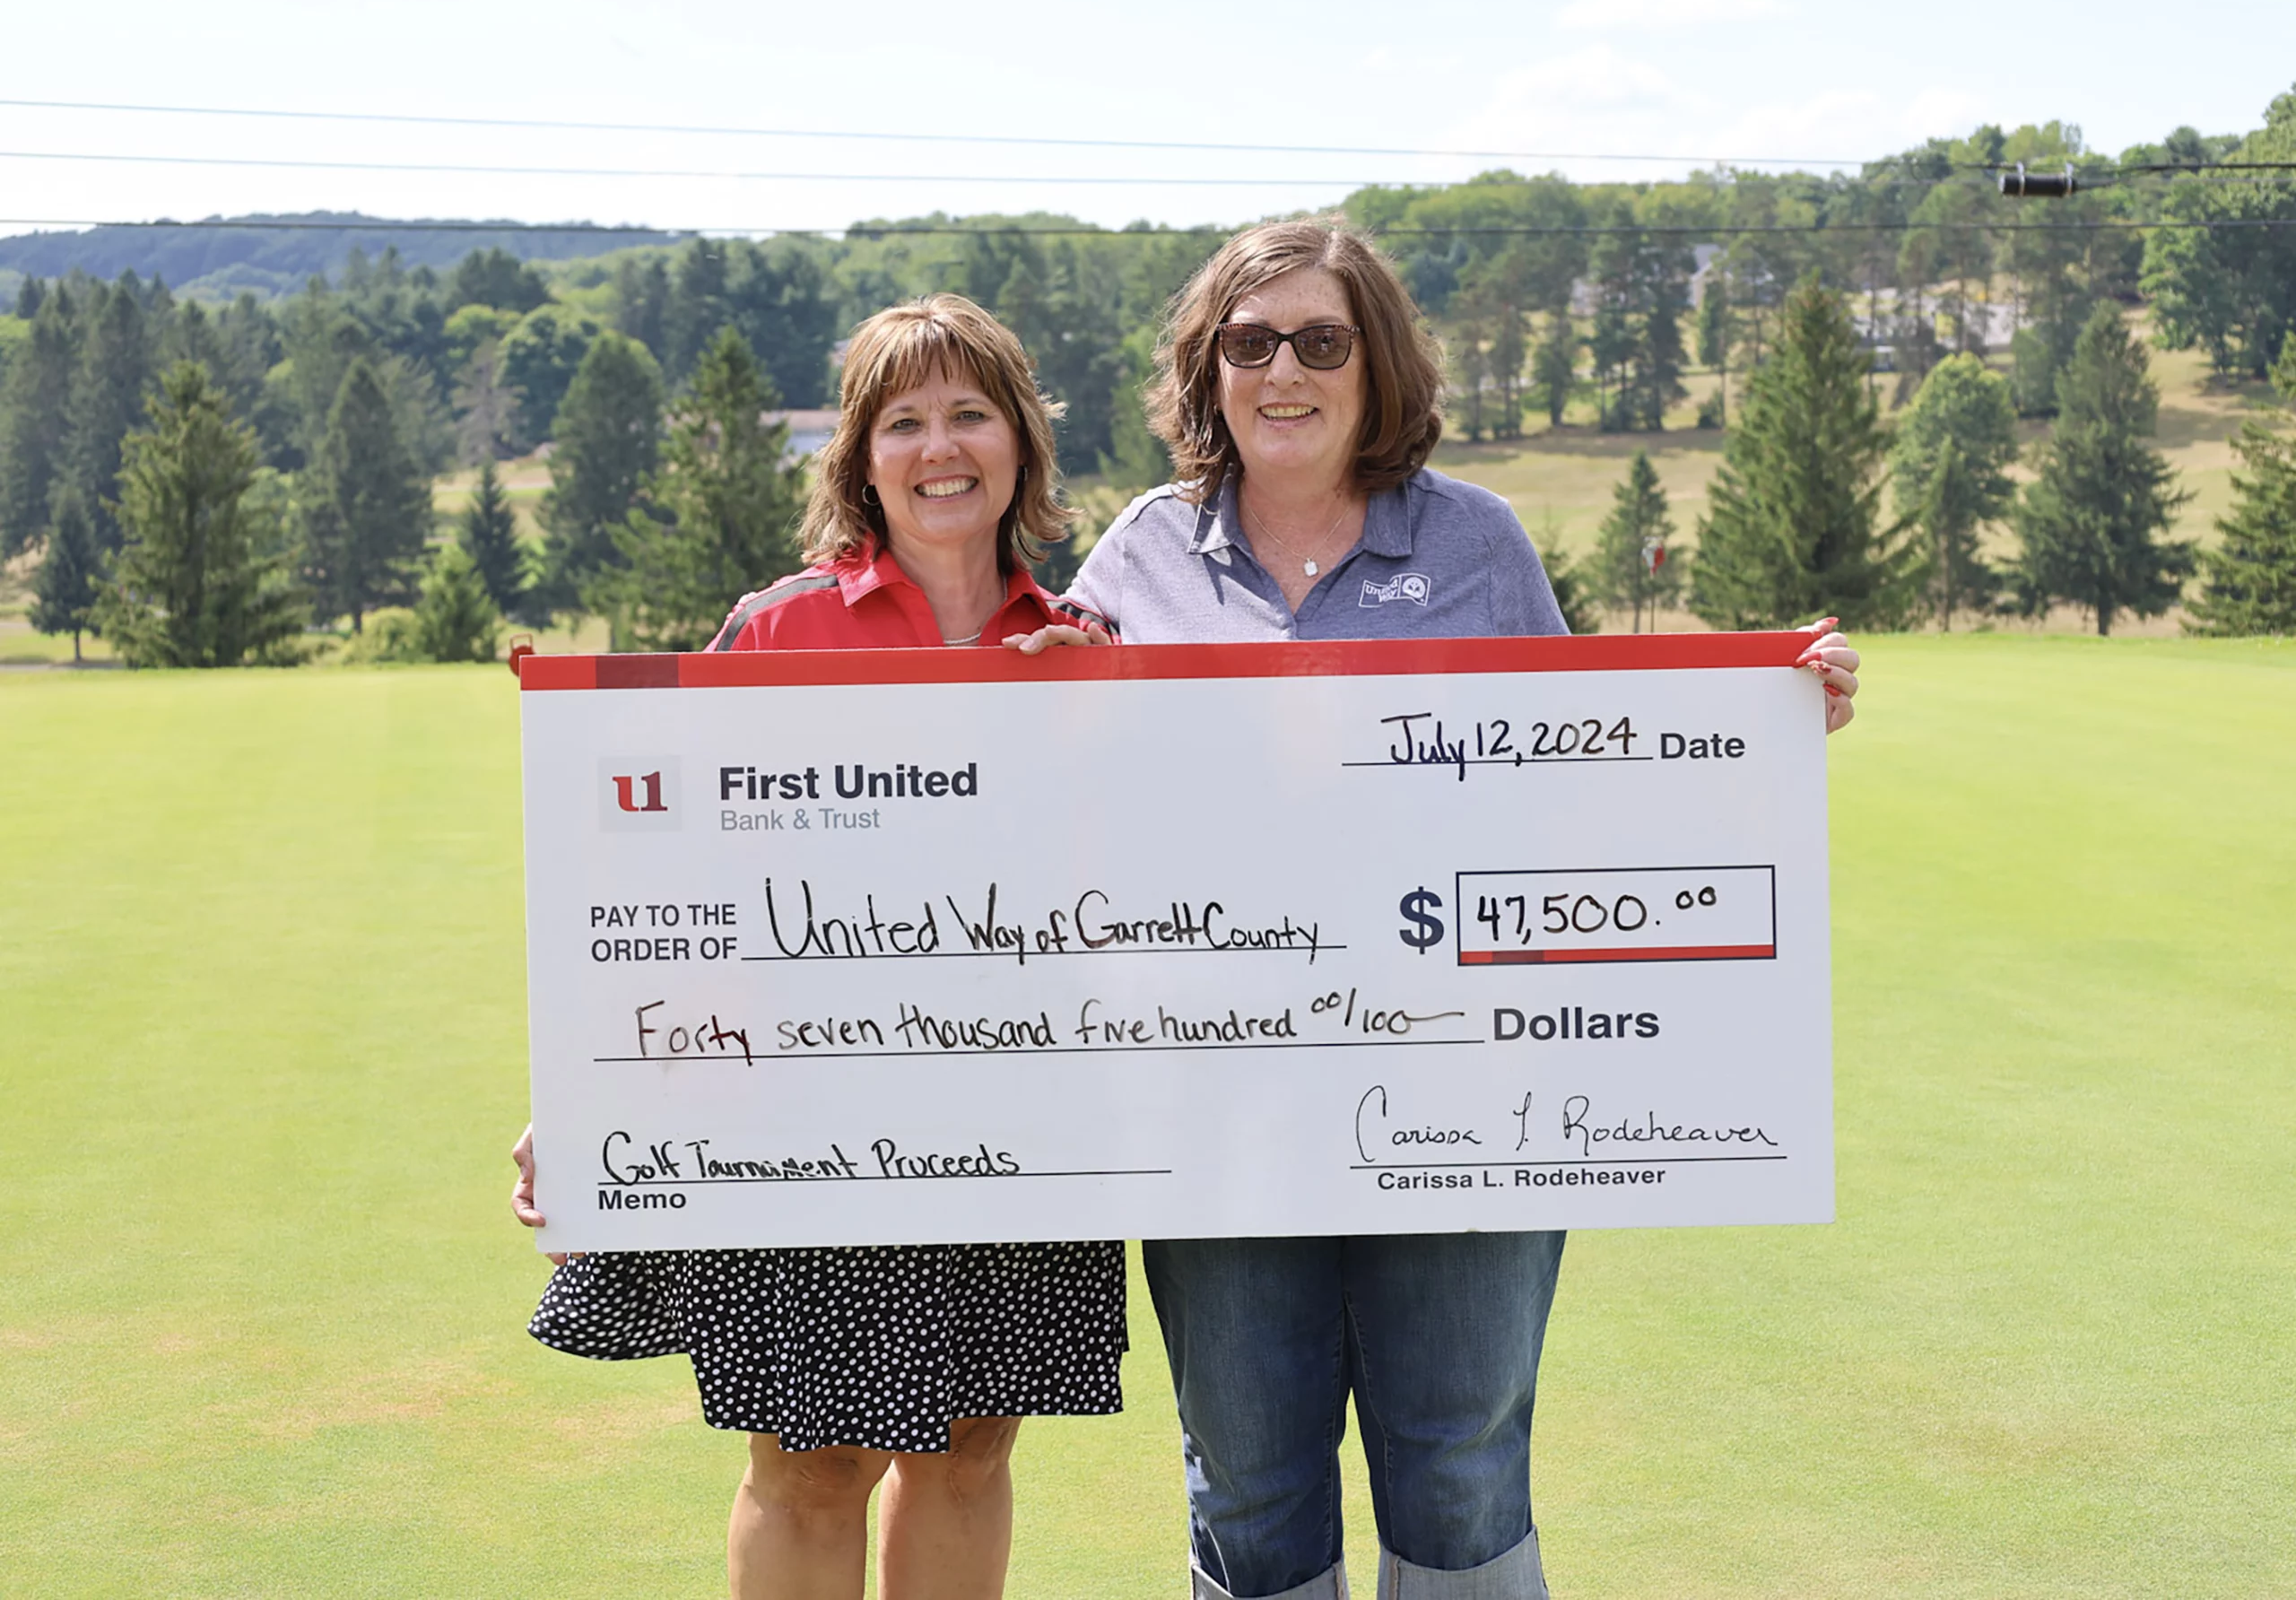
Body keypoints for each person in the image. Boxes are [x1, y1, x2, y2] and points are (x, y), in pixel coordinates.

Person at [1039, 220, 1859, 1600]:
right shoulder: (1142, 552)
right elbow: (1049, 779)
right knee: (1245, 1472)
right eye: (1249, 342)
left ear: (1377, 363)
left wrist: (1766, 715)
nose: (1282, 369)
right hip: (1219, 1094)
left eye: (1320, 339)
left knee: (1461, 1457)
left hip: (1468, 1083)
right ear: (1208, 367)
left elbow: (1581, 781)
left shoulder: (1476, 538)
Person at [511, 293, 1123, 1600]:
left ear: (1019, 441)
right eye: (904, 420)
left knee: (969, 1448)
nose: (939, 445)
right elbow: (654, 897)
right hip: (797, 1108)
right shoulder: (778, 629)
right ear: (862, 459)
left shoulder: (1090, 650)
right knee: (809, 1460)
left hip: (1021, 1108)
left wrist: (1101, 723)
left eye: (971, 412)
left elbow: (1158, 896)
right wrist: (584, 1096)